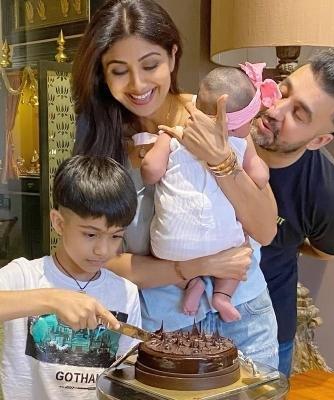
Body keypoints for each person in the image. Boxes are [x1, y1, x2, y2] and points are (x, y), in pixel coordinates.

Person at [72, 0, 279, 368]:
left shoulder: (217, 113)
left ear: (172, 55)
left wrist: (221, 161)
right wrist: (196, 266)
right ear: (103, 74)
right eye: (119, 71)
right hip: (163, 325)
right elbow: (99, 259)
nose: (138, 84)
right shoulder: (101, 147)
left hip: (245, 315)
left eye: (150, 65)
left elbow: (264, 229)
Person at [241, 49, 334, 377]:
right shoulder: (223, 127)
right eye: (282, 90)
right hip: (182, 317)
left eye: (299, 114)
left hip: (263, 333)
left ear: (319, 140)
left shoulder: (329, 195)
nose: (274, 109)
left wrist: (281, 240)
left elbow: (328, 250)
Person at [142, 64, 280, 322]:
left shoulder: (173, 134)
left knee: (174, 244)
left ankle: (191, 283)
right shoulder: (239, 143)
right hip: (225, 244)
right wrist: (248, 166)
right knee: (243, 244)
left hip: (170, 247)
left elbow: (150, 171)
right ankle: (222, 295)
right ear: (238, 124)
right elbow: (260, 177)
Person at [0, 155, 141, 400]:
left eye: (116, 236)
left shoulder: (126, 292)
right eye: (90, 234)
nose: (103, 250)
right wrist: (51, 299)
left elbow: (126, 373)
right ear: (58, 222)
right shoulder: (24, 276)